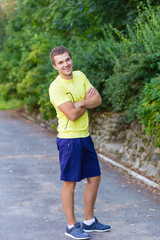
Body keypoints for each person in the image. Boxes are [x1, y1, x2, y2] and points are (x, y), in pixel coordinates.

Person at [49, 46, 111, 239]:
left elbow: (98, 100)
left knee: (95, 178)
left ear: (71, 59)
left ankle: (89, 221)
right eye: (60, 62)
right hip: (69, 140)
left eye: (67, 59)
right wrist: (85, 101)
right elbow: (72, 115)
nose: (65, 64)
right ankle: (70, 226)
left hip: (85, 137)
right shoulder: (56, 87)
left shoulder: (80, 76)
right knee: (70, 183)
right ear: (54, 66)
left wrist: (81, 102)